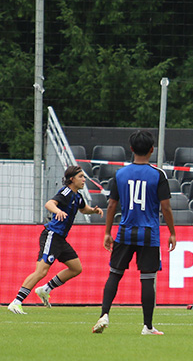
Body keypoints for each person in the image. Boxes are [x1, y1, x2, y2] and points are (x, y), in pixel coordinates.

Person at [92, 130, 175, 335]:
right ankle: (147, 326)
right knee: (147, 279)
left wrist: (107, 232)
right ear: (152, 149)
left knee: (114, 274)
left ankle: (104, 314)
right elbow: (166, 207)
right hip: (149, 234)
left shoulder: (120, 174)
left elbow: (112, 205)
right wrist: (172, 232)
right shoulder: (158, 174)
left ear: (131, 149)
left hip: (125, 232)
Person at [6, 166, 104, 314]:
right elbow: (49, 204)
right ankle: (16, 301)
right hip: (52, 235)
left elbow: (83, 209)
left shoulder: (77, 196)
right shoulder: (66, 192)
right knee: (41, 271)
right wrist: (57, 210)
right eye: (81, 177)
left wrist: (94, 210)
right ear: (72, 179)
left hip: (60, 239)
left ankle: (46, 289)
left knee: (76, 268)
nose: (84, 180)